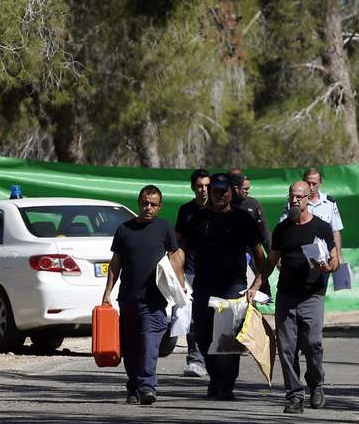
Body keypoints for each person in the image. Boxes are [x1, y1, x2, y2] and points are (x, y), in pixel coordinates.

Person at [249, 181, 338, 414]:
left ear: (309, 198)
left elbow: (335, 259)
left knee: (313, 344)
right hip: (287, 295)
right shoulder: (282, 229)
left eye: (299, 197)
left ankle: (316, 384)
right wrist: (256, 284)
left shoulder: (322, 227)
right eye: (292, 197)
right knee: (286, 348)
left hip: (312, 295)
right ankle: (295, 395)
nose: (295, 201)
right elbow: (270, 261)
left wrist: (327, 267)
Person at [101, 185, 185, 405]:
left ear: (159, 207)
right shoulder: (124, 230)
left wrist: (181, 286)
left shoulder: (164, 228)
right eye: (145, 203)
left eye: (153, 204)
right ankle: (134, 386)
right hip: (128, 298)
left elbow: (175, 257)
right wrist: (107, 292)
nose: (148, 207)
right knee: (130, 347)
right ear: (139, 203)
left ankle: (147, 386)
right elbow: (115, 264)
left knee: (149, 343)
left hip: (154, 300)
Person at [184, 173, 265, 400]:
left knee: (227, 340)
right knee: (202, 334)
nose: (219, 195)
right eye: (215, 191)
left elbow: (259, 253)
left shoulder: (242, 219)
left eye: (224, 191)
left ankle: (226, 385)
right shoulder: (198, 219)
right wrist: (178, 277)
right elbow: (182, 249)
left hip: (233, 286)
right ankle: (216, 378)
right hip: (203, 286)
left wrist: (259, 282)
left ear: (232, 193)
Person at [174, 169, 210, 377]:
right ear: (193, 187)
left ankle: (215, 361)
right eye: (199, 186)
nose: (203, 190)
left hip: (215, 274)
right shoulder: (186, 210)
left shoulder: (219, 209)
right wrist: (178, 272)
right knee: (192, 318)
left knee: (214, 318)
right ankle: (195, 360)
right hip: (191, 273)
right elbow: (180, 243)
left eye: (207, 185)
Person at [279, 168, 344, 265]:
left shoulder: (329, 203)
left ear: (320, 183)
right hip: (298, 257)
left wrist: (338, 257)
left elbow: (335, 231)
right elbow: (282, 230)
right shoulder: (293, 203)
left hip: (322, 259)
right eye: (308, 183)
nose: (311, 187)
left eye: (314, 184)